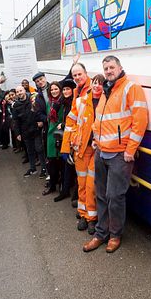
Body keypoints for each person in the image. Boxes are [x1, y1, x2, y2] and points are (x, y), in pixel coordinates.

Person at [83, 55, 148, 253]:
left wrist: (131, 150)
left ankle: (115, 235)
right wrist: (95, 139)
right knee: (101, 195)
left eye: (111, 67)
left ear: (119, 67)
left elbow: (140, 120)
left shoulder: (130, 88)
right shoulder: (106, 90)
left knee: (115, 196)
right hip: (101, 152)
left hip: (120, 154)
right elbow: (100, 120)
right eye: (105, 68)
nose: (109, 71)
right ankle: (101, 234)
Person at [61, 63, 98, 234]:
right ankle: (84, 214)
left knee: (91, 185)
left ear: (86, 73)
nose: (77, 77)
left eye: (79, 74)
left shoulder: (95, 88)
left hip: (94, 146)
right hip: (80, 146)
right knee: (82, 182)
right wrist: (66, 147)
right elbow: (71, 120)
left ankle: (92, 218)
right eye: (74, 75)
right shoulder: (77, 92)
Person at [11, 85, 44, 177]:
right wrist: (17, 133)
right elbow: (15, 120)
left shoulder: (32, 99)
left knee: (39, 149)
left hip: (36, 129)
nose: (19, 93)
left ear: (24, 91)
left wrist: (40, 121)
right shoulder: (16, 105)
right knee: (30, 151)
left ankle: (44, 169)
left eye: (20, 91)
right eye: (17, 92)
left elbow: (39, 111)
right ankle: (32, 168)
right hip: (25, 131)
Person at [55, 79, 77, 204]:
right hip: (66, 139)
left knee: (74, 167)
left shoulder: (74, 102)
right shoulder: (63, 102)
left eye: (68, 89)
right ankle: (66, 190)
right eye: (63, 89)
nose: (65, 91)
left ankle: (75, 194)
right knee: (66, 165)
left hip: (73, 139)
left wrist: (63, 124)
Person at [42, 81, 64, 196]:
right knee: (51, 161)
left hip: (61, 133)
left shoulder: (64, 101)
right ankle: (52, 185)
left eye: (56, 89)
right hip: (51, 134)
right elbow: (48, 119)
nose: (54, 91)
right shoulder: (49, 103)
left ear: (60, 89)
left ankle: (62, 184)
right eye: (52, 90)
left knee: (61, 161)